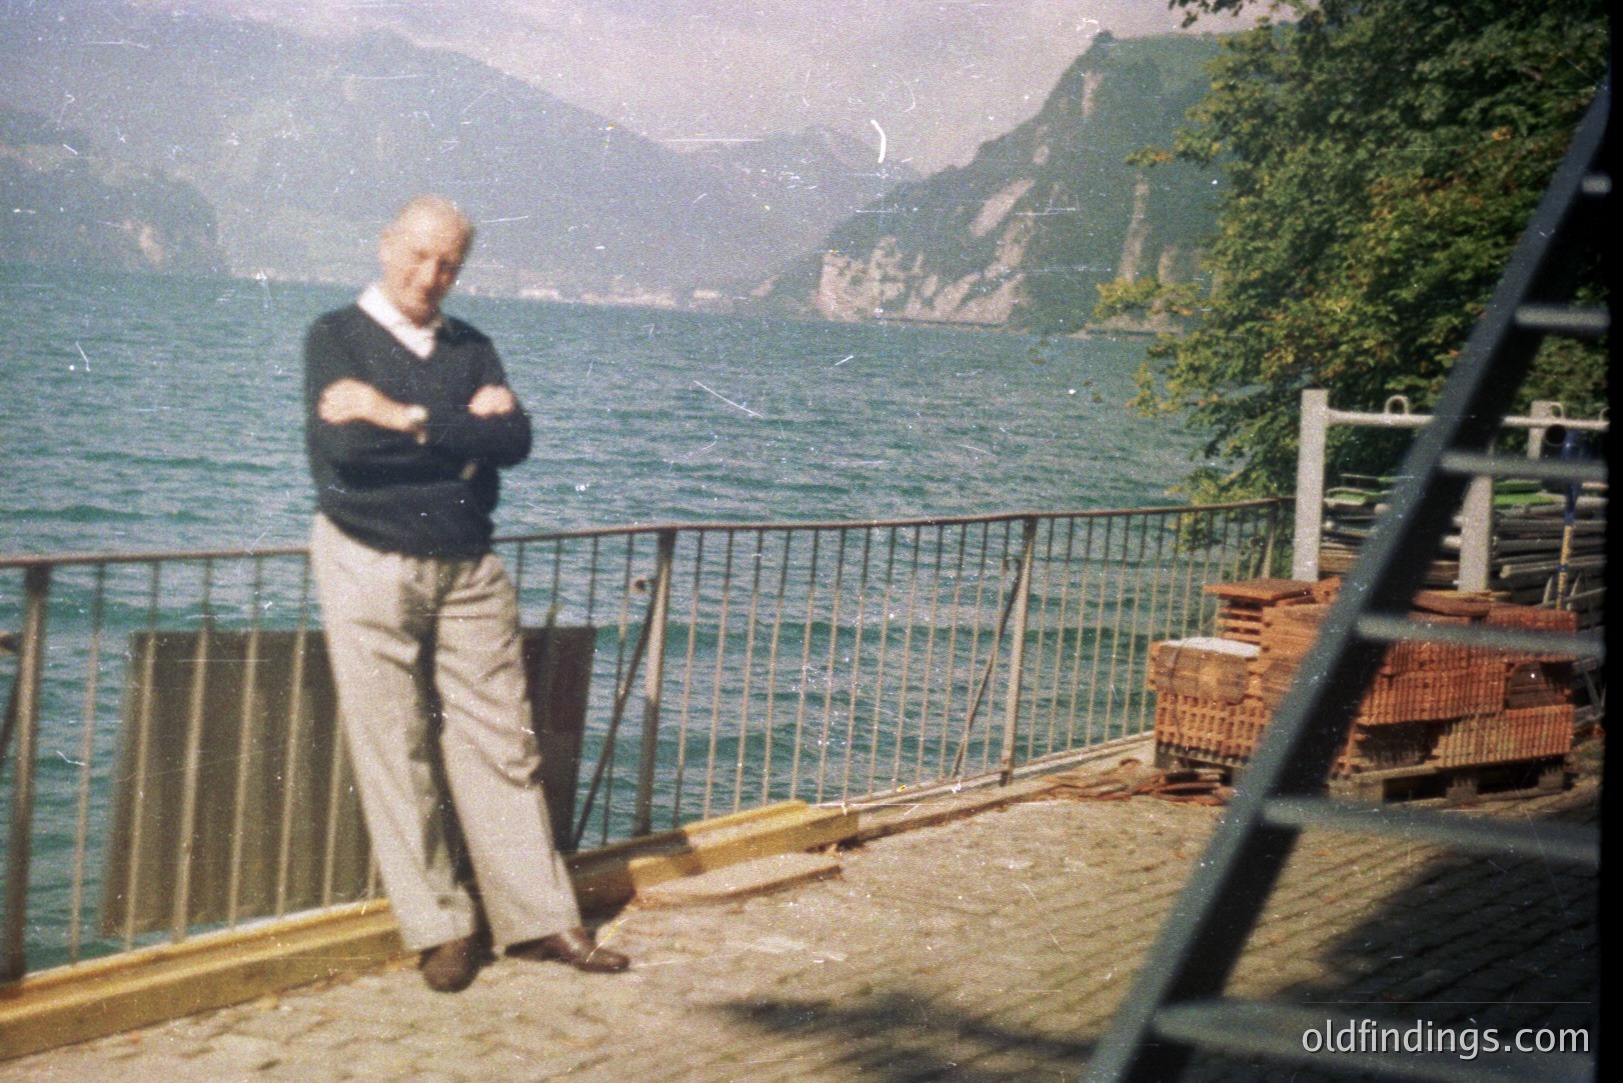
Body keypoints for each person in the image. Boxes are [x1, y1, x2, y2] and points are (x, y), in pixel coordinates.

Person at [304, 194, 628, 992]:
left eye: (448, 262)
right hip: (366, 557)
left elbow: (513, 441)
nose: (431, 275)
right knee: (395, 747)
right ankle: (442, 928)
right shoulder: (334, 336)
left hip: (468, 565)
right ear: (385, 246)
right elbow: (346, 451)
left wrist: (402, 415)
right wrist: (457, 437)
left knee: (503, 744)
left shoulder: (473, 345)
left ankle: (541, 919)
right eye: (418, 256)